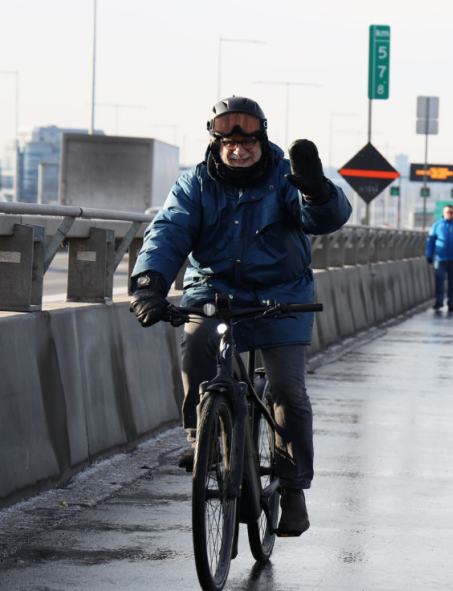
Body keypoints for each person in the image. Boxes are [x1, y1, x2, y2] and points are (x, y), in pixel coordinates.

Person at [128, 96, 352, 537]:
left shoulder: (284, 176)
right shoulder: (195, 183)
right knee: (197, 342)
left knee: (287, 390)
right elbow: (169, 230)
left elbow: (323, 219)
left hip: (282, 295)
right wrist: (150, 284)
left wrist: (316, 191)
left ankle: (293, 488)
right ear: (216, 142)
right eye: (228, 141)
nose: (239, 148)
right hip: (214, 290)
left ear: (261, 139)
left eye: (248, 140)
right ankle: (203, 439)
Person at [426, 204, 453, 312]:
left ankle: (451, 302)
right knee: (439, 279)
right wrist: (429, 255)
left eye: (451, 212)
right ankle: (439, 301)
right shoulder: (437, 226)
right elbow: (430, 241)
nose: (449, 214)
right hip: (440, 258)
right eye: (447, 212)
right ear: (443, 213)